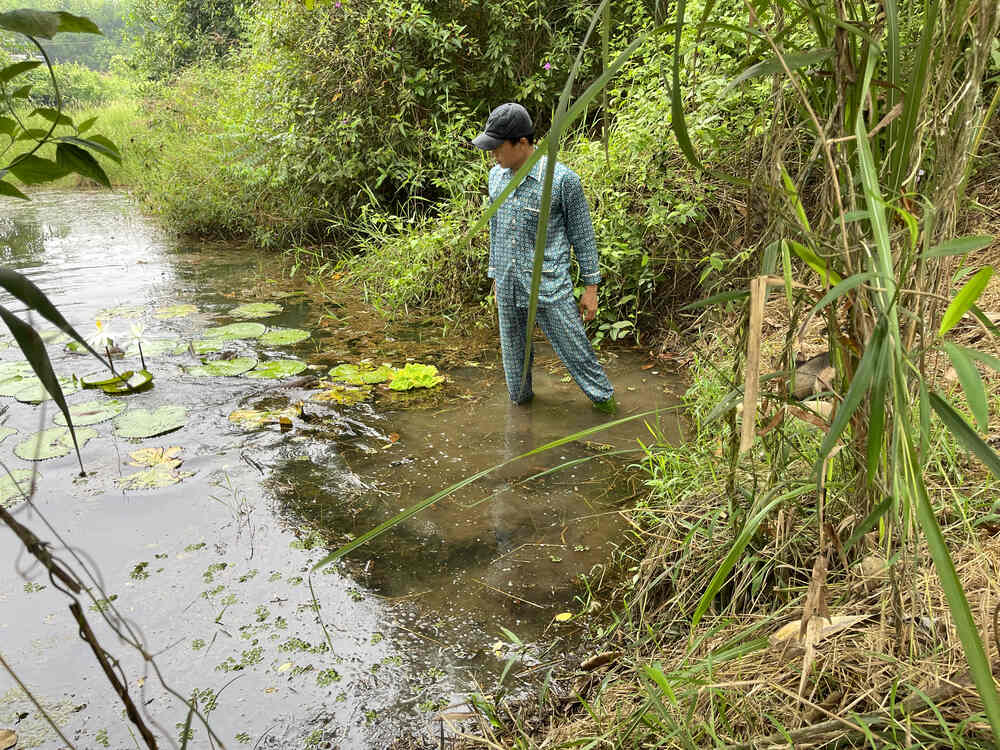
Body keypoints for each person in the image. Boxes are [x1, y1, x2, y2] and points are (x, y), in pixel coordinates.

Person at [472, 102, 616, 414]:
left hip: (549, 288)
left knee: (579, 356)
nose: (493, 154)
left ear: (522, 142)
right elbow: (496, 229)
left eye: (498, 147)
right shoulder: (496, 178)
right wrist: (496, 277)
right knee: (515, 369)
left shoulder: (562, 181)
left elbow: (583, 236)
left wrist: (591, 289)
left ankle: (609, 410)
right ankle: (522, 420)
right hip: (508, 286)